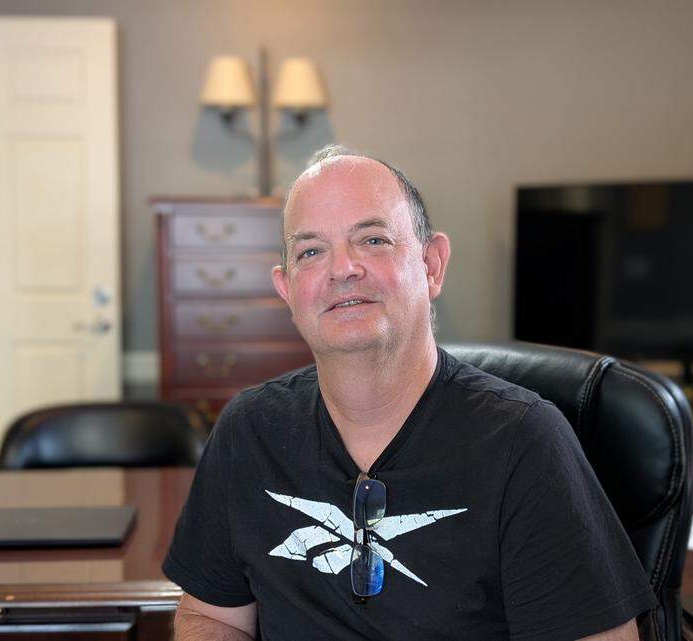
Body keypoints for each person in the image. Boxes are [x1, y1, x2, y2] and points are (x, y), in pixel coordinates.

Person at [163, 145, 656, 640]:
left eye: (373, 240)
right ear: (287, 289)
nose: (342, 268)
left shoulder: (523, 441)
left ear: (432, 265)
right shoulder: (249, 430)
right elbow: (211, 616)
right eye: (311, 251)